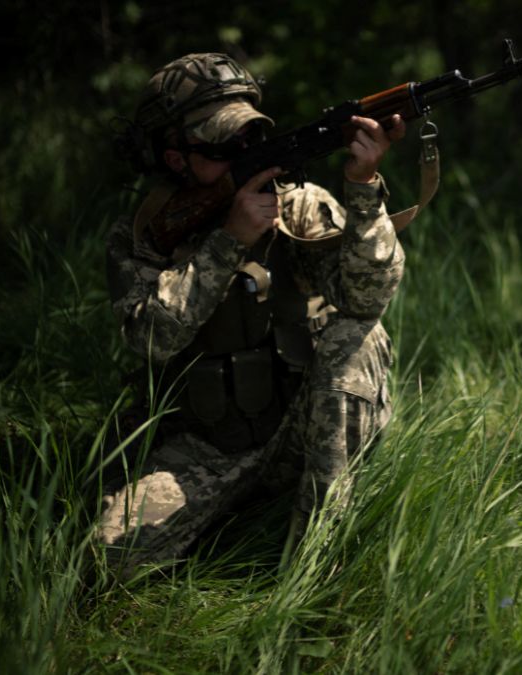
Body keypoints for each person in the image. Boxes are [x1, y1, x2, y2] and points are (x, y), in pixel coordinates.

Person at [98, 52, 406, 570]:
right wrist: (229, 242)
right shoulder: (145, 233)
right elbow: (151, 339)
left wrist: (364, 189)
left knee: (356, 336)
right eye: (225, 145)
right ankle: (236, 515)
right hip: (203, 445)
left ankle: (313, 562)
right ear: (176, 157)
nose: (247, 153)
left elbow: (366, 299)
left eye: (252, 137)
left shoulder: (298, 202)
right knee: (109, 560)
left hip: (301, 428)